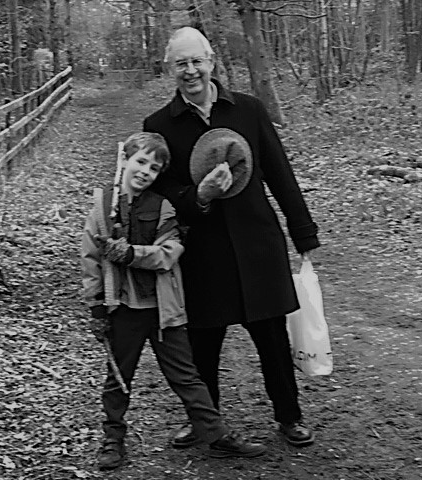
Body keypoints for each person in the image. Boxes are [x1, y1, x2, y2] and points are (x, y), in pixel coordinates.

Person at [143, 27, 320, 449]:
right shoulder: (159, 125)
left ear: (211, 62)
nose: (191, 71)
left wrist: (303, 231)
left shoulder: (248, 110)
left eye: (197, 61)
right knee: (202, 342)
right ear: (171, 69)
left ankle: (289, 416)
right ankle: (205, 421)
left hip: (257, 240)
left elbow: (280, 173)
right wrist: (197, 196)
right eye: (181, 64)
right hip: (201, 248)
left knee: (272, 337)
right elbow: (161, 189)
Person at [81, 132, 267, 471]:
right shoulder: (101, 206)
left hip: (163, 309)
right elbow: (91, 259)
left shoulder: (163, 206)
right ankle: (112, 438)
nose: (145, 172)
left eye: (153, 168)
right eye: (140, 162)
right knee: (118, 376)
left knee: (186, 375)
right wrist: (96, 308)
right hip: (122, 309)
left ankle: (215, 434)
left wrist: (133, 253)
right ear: (124, 161)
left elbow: (169, 253)